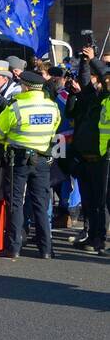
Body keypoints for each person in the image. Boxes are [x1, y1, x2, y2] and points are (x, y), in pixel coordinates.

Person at [0, 70, 61, 260]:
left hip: (18, 160)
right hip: (42, 160)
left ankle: (13, 247)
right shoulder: (52, 107)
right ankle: (46, 249)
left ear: (26, 86)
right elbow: (54, 129)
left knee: (15, 203)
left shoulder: (16, 107)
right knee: (41, 203)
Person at [68, 50, 109, 252]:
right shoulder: (94, 97)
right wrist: (85, 62)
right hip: (86, 158)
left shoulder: (108, 97)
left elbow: (106, 75)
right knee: (89, 201)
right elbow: (85, 84)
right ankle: (93, 236)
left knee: (100, 202)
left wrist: (93, 59)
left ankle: (99, 239)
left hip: (104, 158)